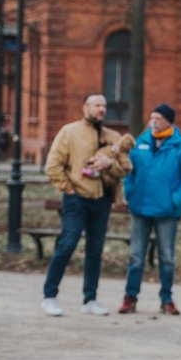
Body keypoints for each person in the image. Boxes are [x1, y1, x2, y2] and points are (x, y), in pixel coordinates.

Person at [41, 94, 130, 317]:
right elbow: (53, 166)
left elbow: (126, 169)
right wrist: (69, 189)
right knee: (67, 243)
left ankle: (90, 299)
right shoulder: (69, 132)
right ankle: (49, 296)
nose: (101, 109)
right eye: (97, 105)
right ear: (85, 108)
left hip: (102, 200)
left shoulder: (113, 136)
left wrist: (109, 164)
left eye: (104, 105)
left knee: (95, 250)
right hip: (76, 198)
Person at [118, 104, 181, 315]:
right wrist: (130, 193)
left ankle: (166, 299)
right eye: (152, 117)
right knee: (136, 257)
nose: (153, 121)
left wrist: (174, 200)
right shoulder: (141, 142)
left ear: (169, 121)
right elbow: (129, 171)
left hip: (167, 212)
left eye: (159, 118)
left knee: (167, 258)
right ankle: (130, 298)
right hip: (140, 209)